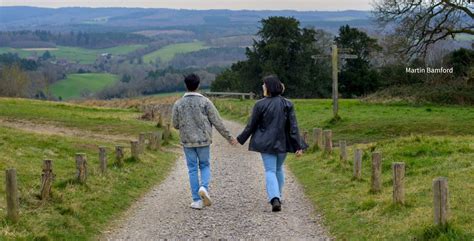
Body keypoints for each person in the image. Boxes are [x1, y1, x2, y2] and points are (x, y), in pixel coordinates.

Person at [236, 75, 307, 212]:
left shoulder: (260, 104)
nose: (262, 87)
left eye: (264, 85)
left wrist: (240, 139)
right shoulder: (288, 104)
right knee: (278, 169)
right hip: (283, 143)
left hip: (266, 143)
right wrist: (298, 145)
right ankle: (278, 195)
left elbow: (251, 125)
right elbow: (293, 127)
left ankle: (275, 198)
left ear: (268, 87)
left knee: (270, 170)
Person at [172, 74, 238, 210]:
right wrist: (229, 137)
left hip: (187, 141)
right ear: (198, 85)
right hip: (203, 140)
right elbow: (217, 121)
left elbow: (175, 124)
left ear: (186, 86)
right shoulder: (205, 102)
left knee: (192, 169)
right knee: (205, 165)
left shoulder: (178, 103)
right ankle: (204, 187)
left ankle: (196, 200)